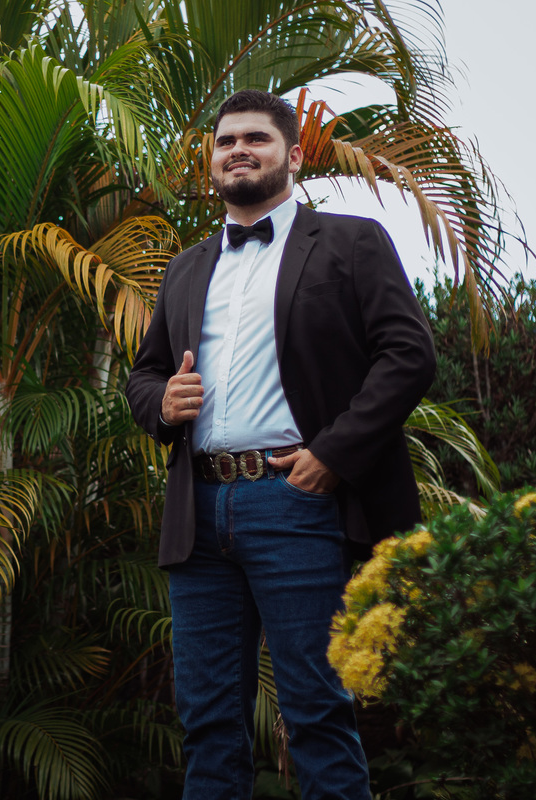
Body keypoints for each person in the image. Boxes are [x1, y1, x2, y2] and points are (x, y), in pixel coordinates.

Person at [125, 89, 436, 799]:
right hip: (198, 515)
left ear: (293, 156)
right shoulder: (186, 268)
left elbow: (409, 355)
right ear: (212, 161)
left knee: (317, 714)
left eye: (256, 138)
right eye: (225, 140)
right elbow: (144, 375)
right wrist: (162, 404)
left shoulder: (353, 243)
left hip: (297, 504)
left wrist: (333, 454)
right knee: (207, 723)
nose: (238, 149)